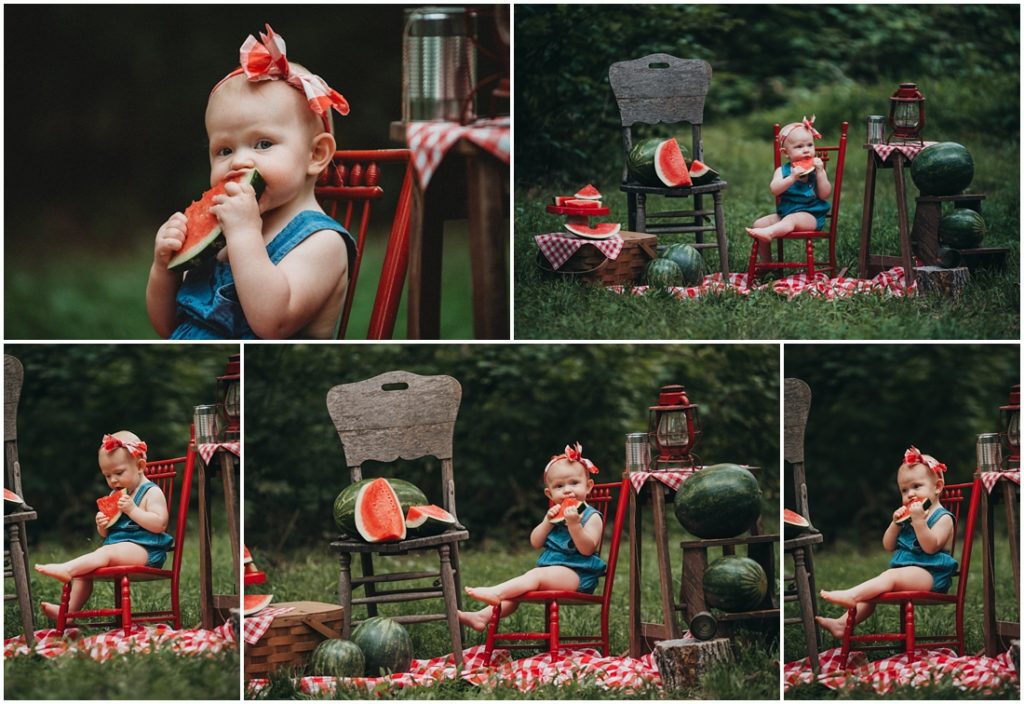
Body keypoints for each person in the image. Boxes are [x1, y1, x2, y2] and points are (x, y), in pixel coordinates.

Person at [146, 24, 357, 339]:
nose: (238, 162)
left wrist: (245, 234)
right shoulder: (220, 236)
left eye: (263, 144)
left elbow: (272, 325)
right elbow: (168, 328)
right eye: (224, 150)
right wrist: (163, 269)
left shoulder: (322, 243)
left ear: (316, 154)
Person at [458, 443, 606, 632]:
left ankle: (496, 591)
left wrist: (574, 525)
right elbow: (535, 542)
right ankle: (481, 617)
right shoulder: (554, 515)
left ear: (589, 486)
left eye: (574, 483)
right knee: (520, 589)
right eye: (559, 486)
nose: (567, 490)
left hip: (578, 575)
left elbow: (587, 549)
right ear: (549, 493)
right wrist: (547, 521)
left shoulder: (591, 517)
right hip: (551, 573)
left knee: (534, 576)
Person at [815, 446, 957, 639]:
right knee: (876, 590)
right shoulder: (910, 516)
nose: (910, 494)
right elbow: (888, 545)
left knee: (889, 577)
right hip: (908, 573)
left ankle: (852, 595)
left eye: (916, 486)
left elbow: (930, 546)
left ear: (938, 487)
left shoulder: (944, 518)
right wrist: (895, 524)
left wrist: (919, 522)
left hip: (932, 576)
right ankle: (841, 624)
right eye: (904, 490)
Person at [35, 431, 174, 622]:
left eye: (118, 473)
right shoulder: (114, 495)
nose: (113, 480)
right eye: (107, 475)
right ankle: (67, 613)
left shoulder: (152, 492)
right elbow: (107, 533)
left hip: (147, 551)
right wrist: (102, 525)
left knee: (105, 553)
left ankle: (67, 569)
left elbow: (160, 524)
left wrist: (133, 510)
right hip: (117, 549)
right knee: (85, 572)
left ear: (140, 466)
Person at [746, 115, 833, 262]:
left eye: (810, 145)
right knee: (758, 224)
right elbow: (775, 189)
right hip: (785, 213)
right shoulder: (782, 171)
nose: (806, 150)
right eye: (799, 146)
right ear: (786, 153)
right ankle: (766, 263)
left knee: (792, 219)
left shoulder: (816, 170)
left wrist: (820, 172)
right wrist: (791, 178)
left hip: (811, 216)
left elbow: (824, 195)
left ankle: (770, 233)